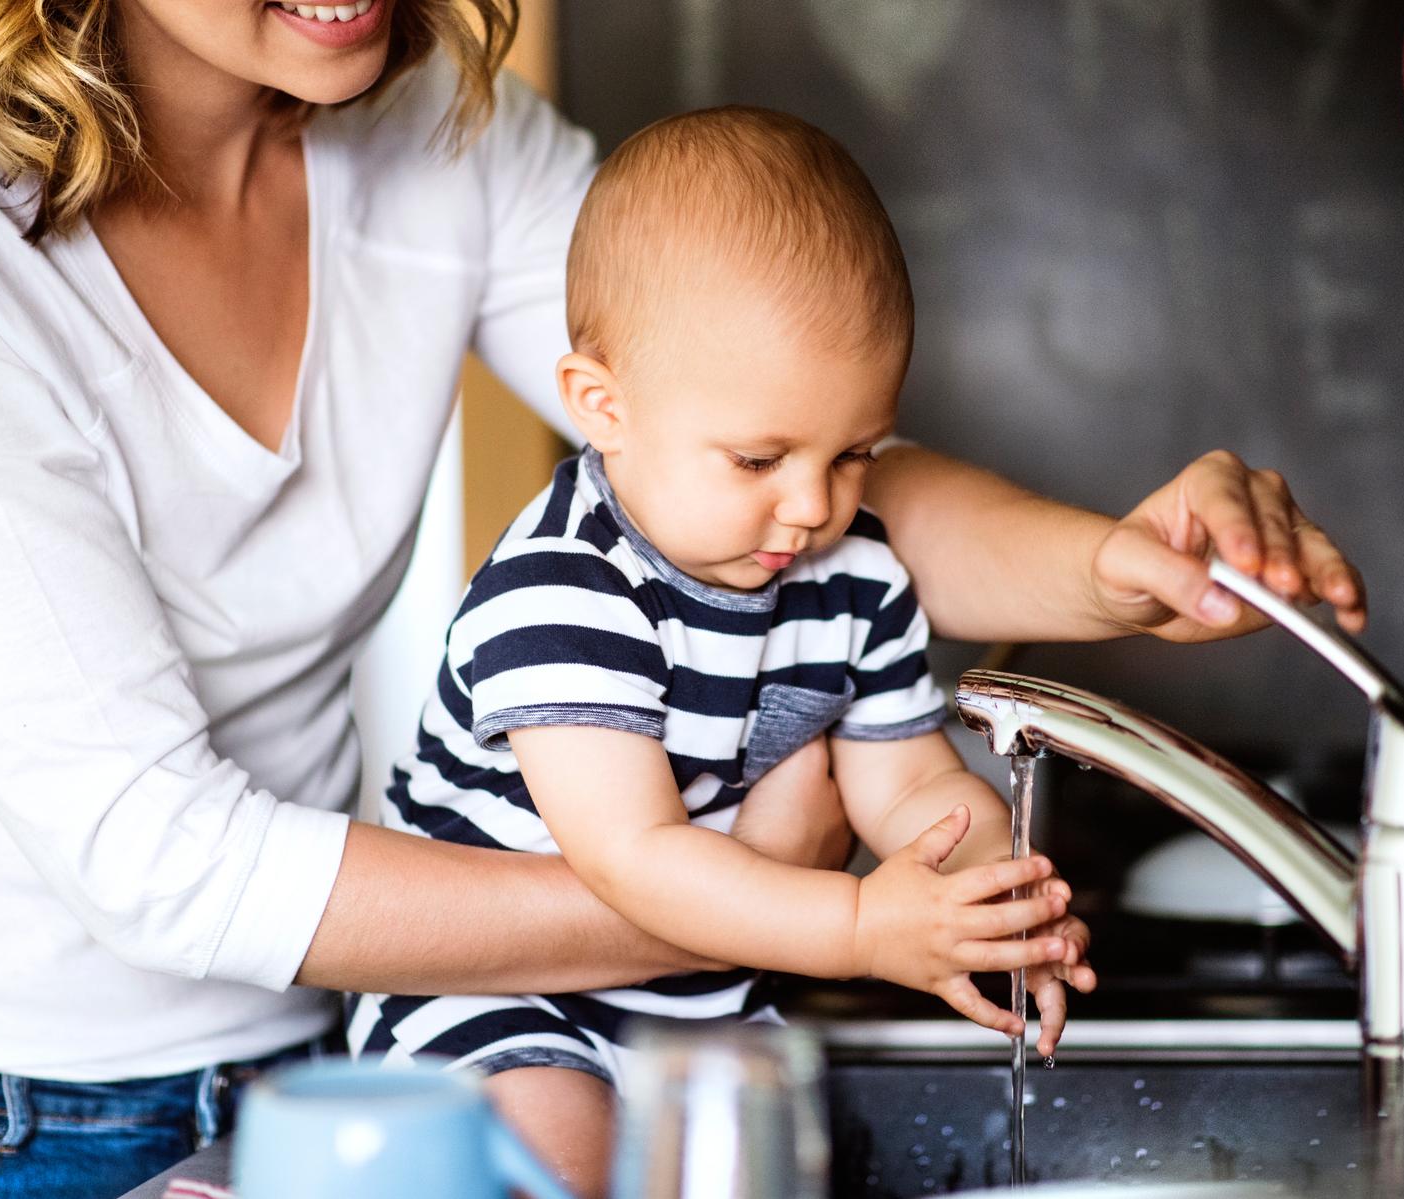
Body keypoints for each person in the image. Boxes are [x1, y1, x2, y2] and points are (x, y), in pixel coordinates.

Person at [0, 3, 1365, 1197]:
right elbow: (160, 859)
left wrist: (1118, 566)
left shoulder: (428, 128)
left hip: (321, 1063)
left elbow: (787, 471)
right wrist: (783, 899)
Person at [348, 106, 1098, 1192]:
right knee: (567, 1150)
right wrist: (857, 923)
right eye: (758, 459)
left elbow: (910, 779)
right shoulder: (562, 588)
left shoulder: (854, 568)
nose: (809, 505)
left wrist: (984, 891)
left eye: (852, 453)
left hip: (705, 1002)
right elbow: (636, 854)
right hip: (504, 996)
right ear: (602, 407)